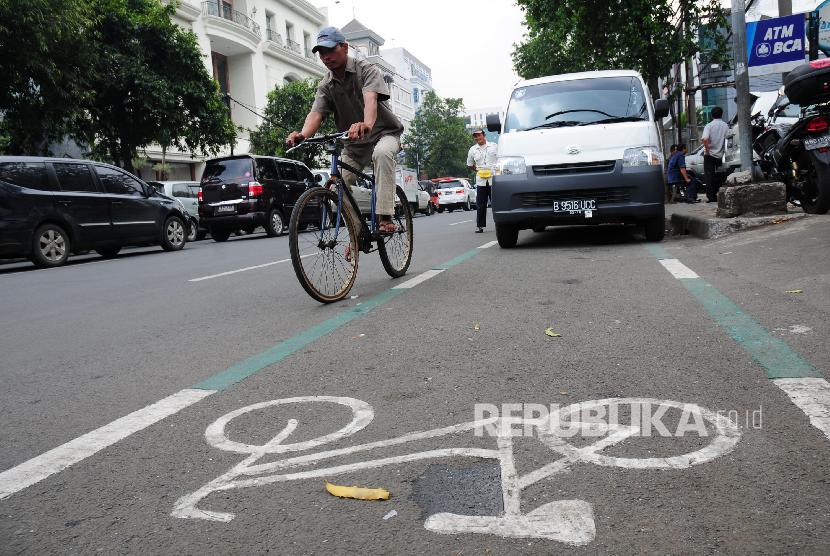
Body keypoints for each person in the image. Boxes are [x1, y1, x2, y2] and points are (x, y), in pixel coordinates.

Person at [286, 26, 404, 233]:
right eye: (322, 53)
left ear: (345, 47)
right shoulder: (326, 85)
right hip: (354, 146)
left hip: (383, 135)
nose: (326, 57)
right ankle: (357, 233)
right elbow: (316, 114)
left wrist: (366, 124)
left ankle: (385, 216)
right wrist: (302, 134)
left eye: (330, 50)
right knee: (334, 186)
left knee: (383, 153)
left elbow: (370, 101)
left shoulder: (366, 70)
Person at [466, 128, 498, 233]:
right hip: (481, 181)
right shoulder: (472, 150)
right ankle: (480, 226)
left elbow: (501, 159)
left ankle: (500, 223)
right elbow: (470, 165)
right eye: (475, 136)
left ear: (484, 135)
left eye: (479, 135)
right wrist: (478, 170)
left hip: (494, 179)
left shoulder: (494, 146)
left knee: (496, 203)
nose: (477, 138)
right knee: (481, 204)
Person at [701, 106, 729, 203]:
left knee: (709, 177)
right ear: (722, 114)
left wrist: (707, 151)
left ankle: (712, 197)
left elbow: (705, 139)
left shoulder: (709, 126)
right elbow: (728, 139)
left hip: (710, 155)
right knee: (721, 175)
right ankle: (721, 194)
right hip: (721, 155)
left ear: (711, 115)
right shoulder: (725, 126)